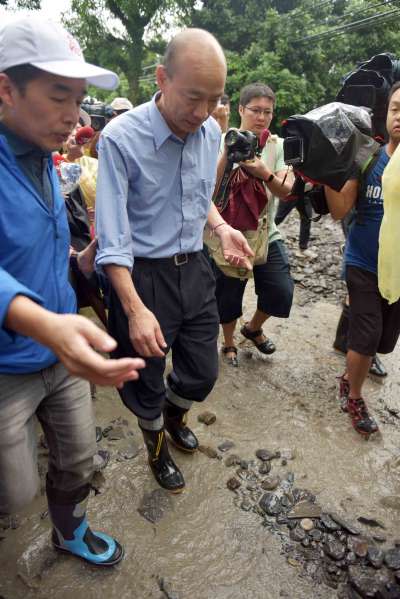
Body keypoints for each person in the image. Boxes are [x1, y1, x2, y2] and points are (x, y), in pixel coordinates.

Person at [0, 15, 145, 566]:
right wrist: (47, 324)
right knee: (13, 492)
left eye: (79, 98)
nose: (74, 114)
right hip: (8, 364)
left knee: (79, 459)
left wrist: (80, 260)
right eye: (59, 95)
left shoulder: (44, 159)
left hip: (62, 356)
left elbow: (32, 248)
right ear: (6, 87)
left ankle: (69, 531)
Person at [95, 29, 253, 494]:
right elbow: (113, 238)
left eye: (215, 99)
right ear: (162, 79)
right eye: (192, 97)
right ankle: (156, 446)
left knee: (202, 369)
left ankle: (174, 414)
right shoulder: (120, 139)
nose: (203, 112)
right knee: (144, 377)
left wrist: (222, 229)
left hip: (196, 267)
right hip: (142, 276)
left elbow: (198, 195)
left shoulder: (208, 133)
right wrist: (134, 307)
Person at [324, 81, 400, 437]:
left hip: (397, 272)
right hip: (363, 264)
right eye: (396, 109)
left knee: (384, 342)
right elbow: (340, 211)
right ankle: (353, 395)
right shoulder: (368, 157)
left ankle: (350, 373)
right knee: (366, 338)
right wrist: (328, 174)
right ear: (385, 114)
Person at [213, 83, 294, 366]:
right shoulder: (221, 139)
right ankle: (229, 341)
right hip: (228, 233)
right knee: (228, 294)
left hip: (265, 232)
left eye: (267, 112)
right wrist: (228, 152)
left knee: (281, 290)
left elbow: (286, 190)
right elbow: (209, 192)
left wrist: (263, 173)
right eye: (255, 110)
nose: (261, 117)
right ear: (240, 109)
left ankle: (254, 327)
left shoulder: (278, 145)